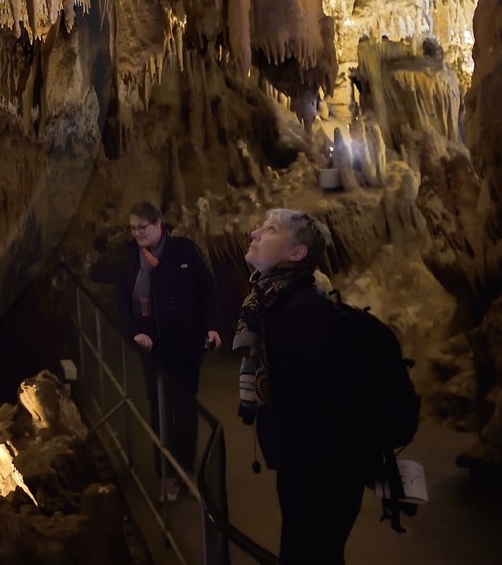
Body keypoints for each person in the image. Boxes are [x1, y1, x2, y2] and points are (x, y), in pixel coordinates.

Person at [234, 208, 371, 565]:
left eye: (270, 229)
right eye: (261, 226)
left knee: (308, 552)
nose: (255, 233)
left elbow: (336, 397)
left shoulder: (302, 311)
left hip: (323, 469)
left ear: (297, 254)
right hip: (305, 461)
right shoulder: (272, 303)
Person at [112, 200, 221, 502]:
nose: (137, 234)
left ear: (159, 223)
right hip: (153, 347)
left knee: (184, 408)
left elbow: (208, 289)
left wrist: (212, 326)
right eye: (133, 228)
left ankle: (184, 470)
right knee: (159, 408)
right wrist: (135, 331)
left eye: (142, 228)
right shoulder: (129, 256)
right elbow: (122, 297)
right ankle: (167, 475)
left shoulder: (185, 251)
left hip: (185, 344)